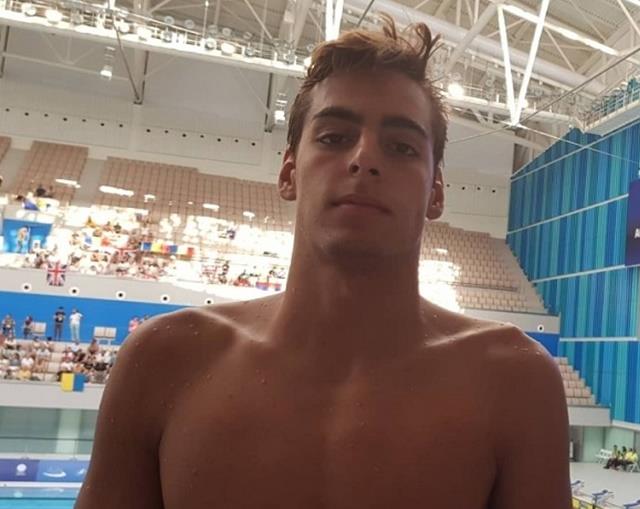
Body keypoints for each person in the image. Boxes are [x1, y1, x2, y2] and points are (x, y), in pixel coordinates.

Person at [76, 15, 570, 509]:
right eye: (334, 137)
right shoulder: (165, 361)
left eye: (401, 147)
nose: (364, 158)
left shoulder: (513, 382)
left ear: (436, 192)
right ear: (289, 172)